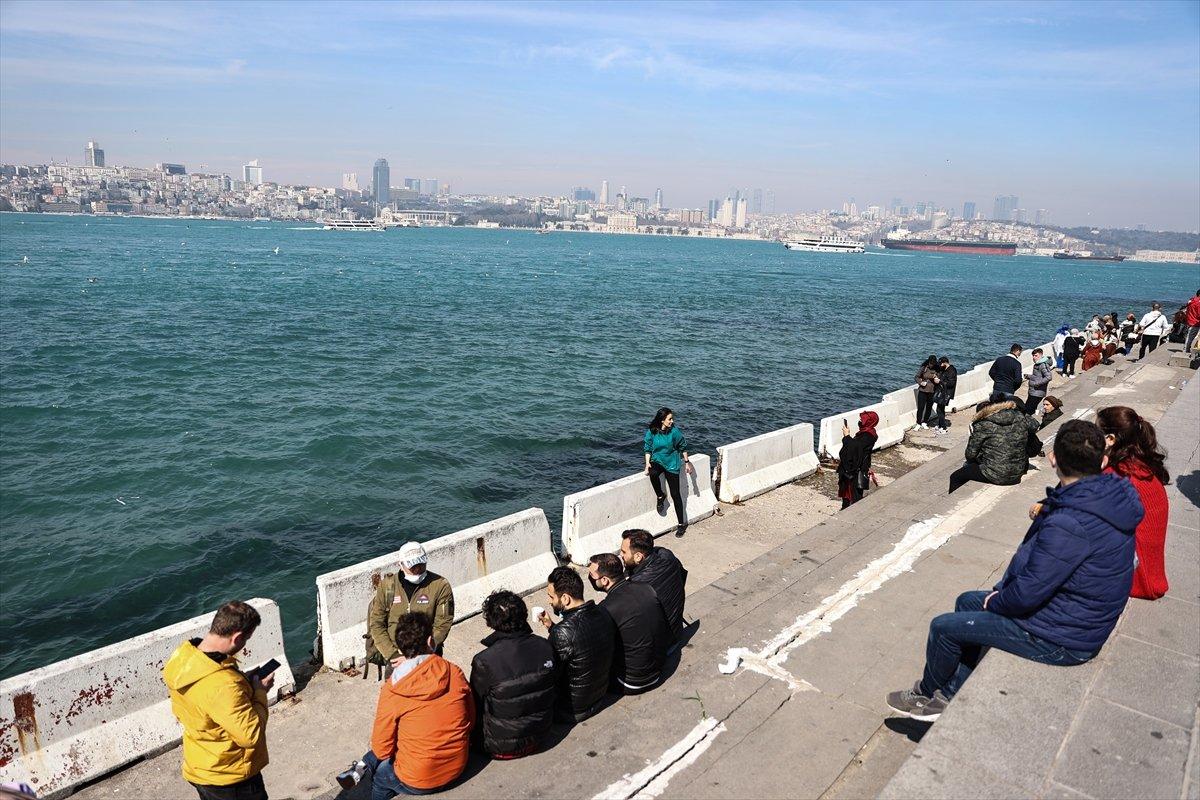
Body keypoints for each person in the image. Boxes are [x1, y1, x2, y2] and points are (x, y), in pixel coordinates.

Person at [887, 420, 1143, 721]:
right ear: (1103, 461)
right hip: (1077, 617)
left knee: (944, 627)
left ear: (1053, 459)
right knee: (966, 601)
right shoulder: (1106, 497)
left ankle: (926, 693)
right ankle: (952, 691)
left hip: (1064, 639)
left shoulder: (1070, 522)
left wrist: (997, 600)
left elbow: (1029, 591)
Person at [336, 613, 474, 797]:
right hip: (457, 764)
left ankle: (363, 768)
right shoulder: (454, 671)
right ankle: (362, 766)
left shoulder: (393, 689)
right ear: (430, 641)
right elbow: (470, 719)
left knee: (381, 778)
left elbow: (382, 748)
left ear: (400, 648)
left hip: (419, 778)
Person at [163, 601, 274, 800]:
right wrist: (259, 692)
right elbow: (251, 736)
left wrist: (243, 685)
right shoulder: (223, 685)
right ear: (237, 637)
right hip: (230, 776)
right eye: (246, 639)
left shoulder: (184, 656)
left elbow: (209, 700)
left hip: (200, 765)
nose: (244, 644)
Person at [469, 590, 556, 759]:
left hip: (500, 747)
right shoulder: (544, 646)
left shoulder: (484, 661)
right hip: (541, 735)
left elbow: (475, 706)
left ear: (491, 622)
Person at [1097, 406, 1170, 600]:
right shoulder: (1138, 464)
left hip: (1137, 575)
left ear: (1110, 438)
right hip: (1147, 566)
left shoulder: (1119, 475)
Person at [538, 566, 615, 723]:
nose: (549, 602)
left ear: (565, 599)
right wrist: (552, 627)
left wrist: (554, 633)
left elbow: (551, 674)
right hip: (599, 695)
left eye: (551, 597)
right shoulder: (603, 612)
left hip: (573, 710)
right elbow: (580, 642)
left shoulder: (562, 633)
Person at [588, 552, 670, 695]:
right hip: (659, 667)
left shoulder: (606, 608)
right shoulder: (646, 588)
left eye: (592, 576)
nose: (590, 579)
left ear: (605, 580)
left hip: (633, 681)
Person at [367, 542, 455, 673]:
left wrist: (420, 656)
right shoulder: (387, 586)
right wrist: (393, 655)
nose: (418, 569)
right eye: (413, 566)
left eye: (421, 564)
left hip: (428, 655)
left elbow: (443, 624)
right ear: (401, 565)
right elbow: (376, 623)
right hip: (395, 658)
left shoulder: (440, 586)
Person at [948, 394, 1039, 493]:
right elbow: (1035, 425)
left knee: (956, 476)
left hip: (996, 475)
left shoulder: (982, 424)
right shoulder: (1019, 416)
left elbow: (970, 455)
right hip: (1018, 472)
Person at [621, 528, 688, 643]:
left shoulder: (635, 585)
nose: (620, 555)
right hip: (676, 628)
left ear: (638, 556)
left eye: (624, 552)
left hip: (660, 644)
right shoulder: (667, 555)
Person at [643, 407, 696, 537]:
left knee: (675, 494)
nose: (672, 421)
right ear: (662, 420)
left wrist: (687, 462)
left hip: (672, 464)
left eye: (672, 419)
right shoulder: (652, 432)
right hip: (658, 461)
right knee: (653, 473)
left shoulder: (675, 432)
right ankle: (660, 496)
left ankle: (681, 524)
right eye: (669, 419)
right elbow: (648, 448)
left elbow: (682, 446)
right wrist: (647, 463)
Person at [837, 410, 879, 508]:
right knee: (850, 495)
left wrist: (847, 436)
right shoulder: (867, 433)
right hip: (857, 468)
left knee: (853, 495)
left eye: (862, 420)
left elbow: (855, 448)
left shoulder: (867, 436)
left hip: (855, 471)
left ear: (868, 422)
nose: (860, 422)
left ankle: (849, 513)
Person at [1023, 348, 1053, 415]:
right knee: (1029, 409)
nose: (1034, 357)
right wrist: (1029, 376)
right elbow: (1038, 377)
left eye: (1036, 355)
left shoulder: (1043, 365)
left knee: (1028, 411)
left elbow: (1048, 377)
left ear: (1041, 355)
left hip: (1037, 392)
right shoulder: (1037, 364)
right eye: (1033, 356)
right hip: (1033, 391)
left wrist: (1036, 384)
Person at [913, 355, 940, 430]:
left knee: (929, 407)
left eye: (933, 363)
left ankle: (925, 422)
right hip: (923, 390)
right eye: (931, 363)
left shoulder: (937, 369)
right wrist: (920, 383)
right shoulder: (924, 367)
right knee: (920, 407)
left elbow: (939, 378)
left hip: (932, 391)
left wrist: (937, 380)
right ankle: (918, 423)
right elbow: (916, 377)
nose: (932, 365)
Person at [933, 356, 957, 434]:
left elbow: (951, 383)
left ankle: (943, 427)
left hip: (946, 393)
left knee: (939, 410)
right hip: (942, 392)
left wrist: (939, 381)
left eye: (941, 363)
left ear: (944, 363)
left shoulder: (951, 371)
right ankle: (940, 425)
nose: (940, 365)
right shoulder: (945, 369)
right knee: (940, 409)